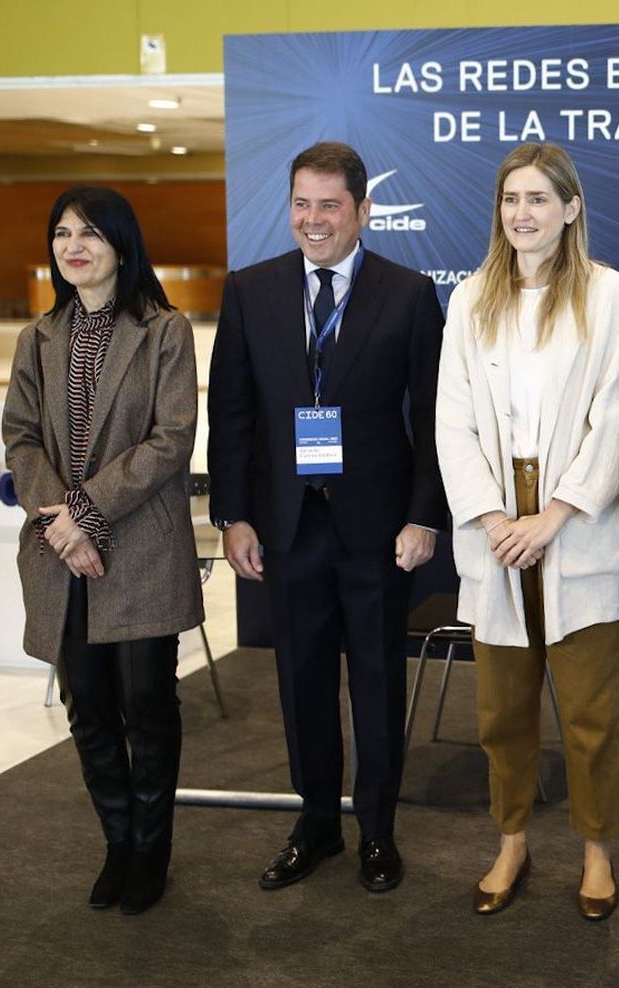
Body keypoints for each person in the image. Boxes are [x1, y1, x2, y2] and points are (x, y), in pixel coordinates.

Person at [207, 141, 447, 893]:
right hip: (286, 527)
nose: (313, 220)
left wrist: (424, 516)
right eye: (301, 204)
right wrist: (233, 516)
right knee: (300, 683)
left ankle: (377, 831)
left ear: (363, 210)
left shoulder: (408, 294)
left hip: (378, 530)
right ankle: (315, 825)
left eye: (330, 205)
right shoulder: (250, 290)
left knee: (377, 682)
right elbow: (232, 413)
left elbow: (435, 417)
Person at [435, 143, 619, 920]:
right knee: (502, 712)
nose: (522, 213)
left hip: (576, 522)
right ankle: (512, 841)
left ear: (571, 208)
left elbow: (614, 419)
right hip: (495, 526)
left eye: (539, 199)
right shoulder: (470, 299)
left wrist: (553, 515)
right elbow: (453, 422)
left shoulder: (608, 295)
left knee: (589, 714)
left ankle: (597, 851)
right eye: (511, 199)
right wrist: (494, 517)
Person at [2, 186, 203, 916]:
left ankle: (151, 850)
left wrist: (86, 514)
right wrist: (65, 527)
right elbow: (21, 438)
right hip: (62, 556)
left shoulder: (164, 331)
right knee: (87, 707)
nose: (73, 247)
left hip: (141, 548)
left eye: (89, 233)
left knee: (147, 705)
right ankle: (117, 843)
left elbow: (171, 440)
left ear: (121, 243)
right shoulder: (38, 338)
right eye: (62, 234)